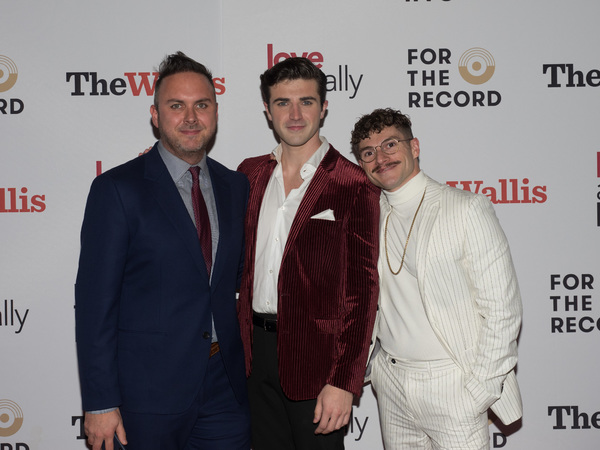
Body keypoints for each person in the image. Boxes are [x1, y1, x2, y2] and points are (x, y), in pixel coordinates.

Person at [75, 51, 251, 450]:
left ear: (215, 113)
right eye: (177, 106)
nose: (191, 117)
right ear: (155, 115)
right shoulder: (117, 189)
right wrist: (100, 401)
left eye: (201, 105)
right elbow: (94, 305)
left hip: (224, 388)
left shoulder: (235, 186)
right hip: (145, 396)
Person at [350, 108, 523, 449]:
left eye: (390, 144)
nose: (380, 158)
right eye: (368, 152)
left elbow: (503, 310)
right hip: (392, 382)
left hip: (453, 383)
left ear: (414, 147)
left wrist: (479, 390)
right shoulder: (367, 215)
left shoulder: (465, 208)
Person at [236, 57, 380, 450]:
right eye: (283, 103)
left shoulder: (353, 184)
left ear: (324, 106)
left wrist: (345, 381)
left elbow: (363, 294)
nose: (295, 114)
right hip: (253, 358)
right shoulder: (247, 175)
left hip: (319, 364)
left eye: (306, 101)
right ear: (267, 110)